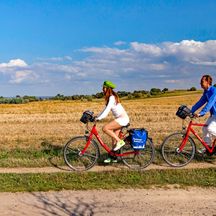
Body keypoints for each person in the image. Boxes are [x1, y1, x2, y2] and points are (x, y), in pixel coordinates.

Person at [95, 80, 130, 163]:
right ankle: (113, 157)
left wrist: (99, 118)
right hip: (120, 118)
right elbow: (105, 110)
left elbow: (107, 110)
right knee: (113, 140)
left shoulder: (111, 97)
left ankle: (120, 142)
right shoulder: (111, 97)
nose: (102, 89)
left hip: (122, 119)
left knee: (105, 128)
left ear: (108, 88)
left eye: (104, 87)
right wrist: (97, 116)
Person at [191, 75, 216, 154]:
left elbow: (210, 103)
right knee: (205, 129)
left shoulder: (214, 91)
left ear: (208, 82)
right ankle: (208, 148)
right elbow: (201, 102)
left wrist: (201, 113)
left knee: (210, 128)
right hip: (213, 115)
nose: (200, 83)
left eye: (202, 81)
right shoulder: (206, 92)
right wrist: (191, 110)